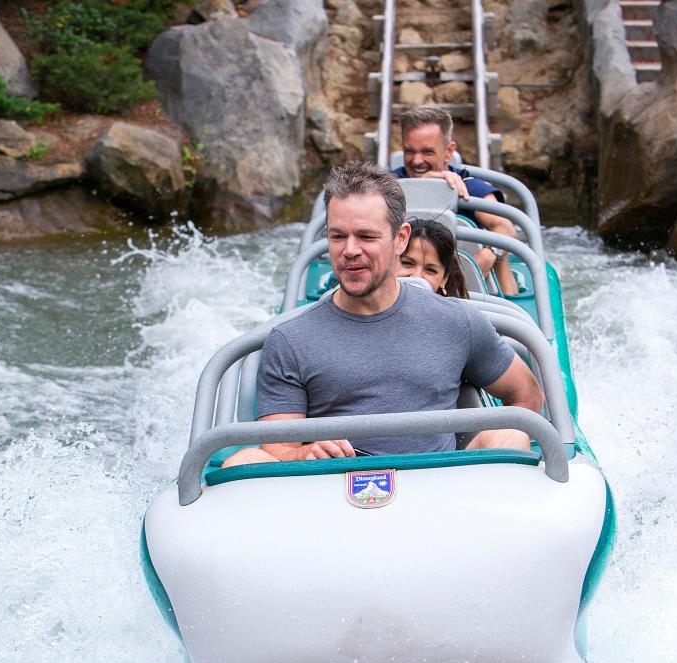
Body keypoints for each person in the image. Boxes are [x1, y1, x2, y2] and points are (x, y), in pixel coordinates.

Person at [222, 161, 542, 467]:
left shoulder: (458, 322)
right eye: (338, 236)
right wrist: (302, 455)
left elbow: (525, 394)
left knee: (510, 435)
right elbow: (278, 448)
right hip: (330, 493)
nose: (349, 250)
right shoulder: (290, 338)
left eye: (366, 236)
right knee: (243, 461)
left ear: (400, 239)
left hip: (441, 492)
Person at [394, 105, 521, 296]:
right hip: (397, 287)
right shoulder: (388, 185)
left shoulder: (472, 189)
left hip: (463, 290)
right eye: (409, 151)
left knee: (502, 257)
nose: (417, 161)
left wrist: (486, 256)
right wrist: (422, 186)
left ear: (448, 151)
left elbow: (506, 229)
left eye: (427, 152)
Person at [398, 217, 469, 299]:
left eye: (431, 270)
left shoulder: (457, 311)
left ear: (444, 279)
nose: (417, 277)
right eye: (407, 263)